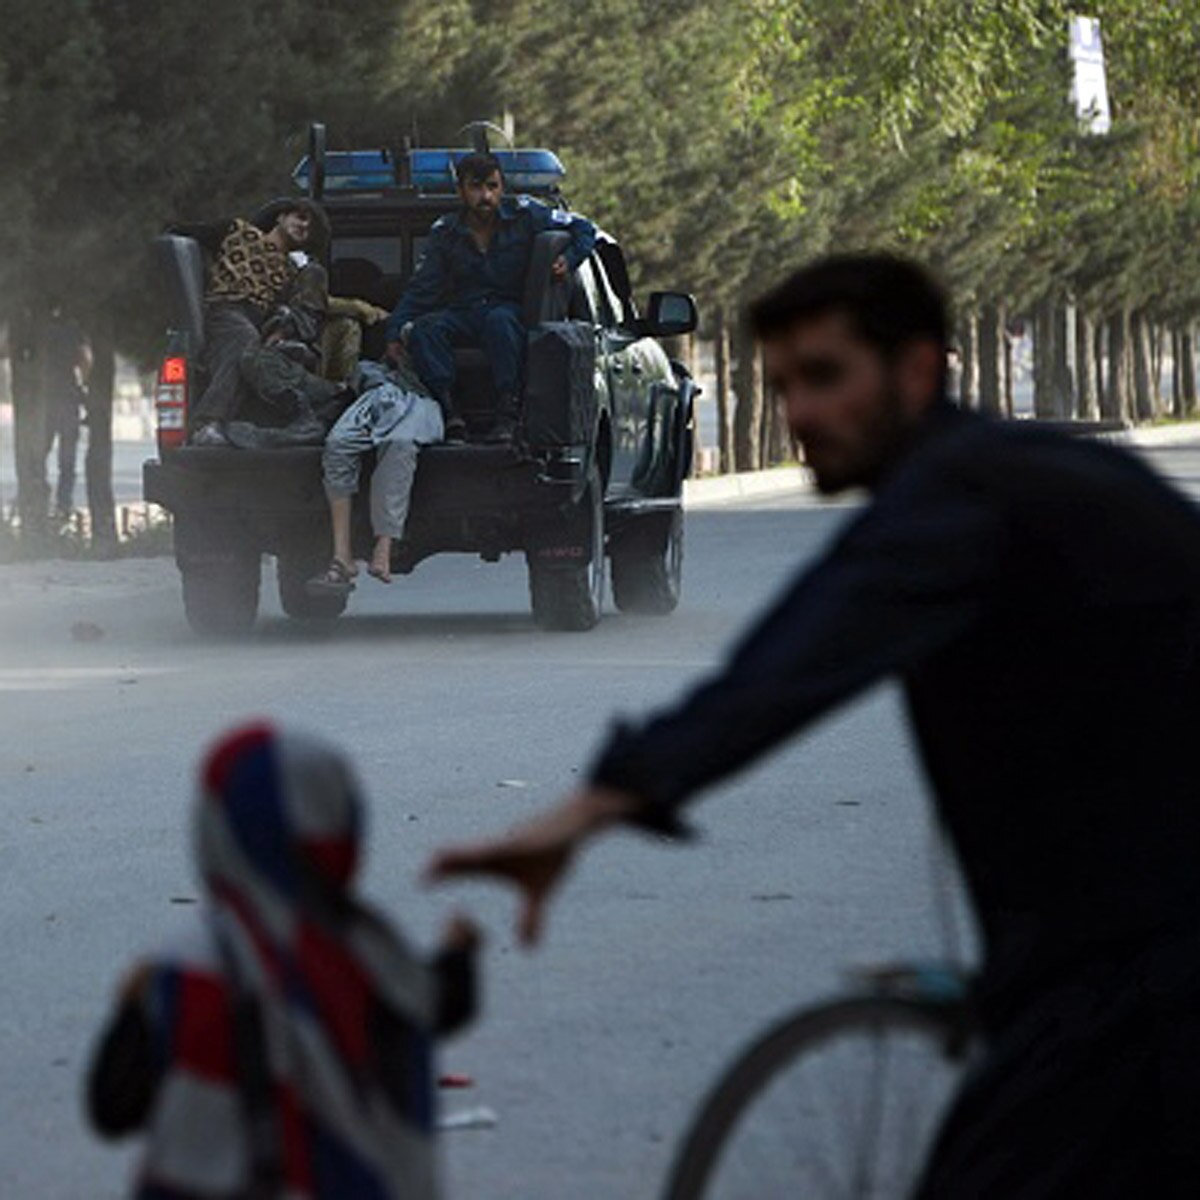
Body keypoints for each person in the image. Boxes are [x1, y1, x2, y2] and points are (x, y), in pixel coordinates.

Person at [428, 253, 1200, 1195]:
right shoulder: (1004, 476)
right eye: (784, 384)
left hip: (1141, 951)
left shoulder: (965, 503)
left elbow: (785, 671)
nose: (799, 413)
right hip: (1104, 934)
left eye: (827, 378)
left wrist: (593, 807)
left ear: (918, 371)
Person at [88, 721, 480, 1200]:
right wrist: (460, 952)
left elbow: (113, 1106)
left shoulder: (195, 967)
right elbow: (441, 1004)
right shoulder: (369, 950)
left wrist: (131, 1010)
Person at [386, 151, 596, 444]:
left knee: (501, 323)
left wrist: (569, 258)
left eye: (492, 186)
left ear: (502, 188)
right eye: (476, 187)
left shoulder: (526, 215)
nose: (485, 195)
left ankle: (508, 413)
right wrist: (395, 332)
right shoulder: (446, 232)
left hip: (506, 310)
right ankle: (449, 412)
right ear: (460, 191)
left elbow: (584, 229)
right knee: (426, 329)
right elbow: (422, 289)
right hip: (463, 311)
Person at [174, 199, 332, 446]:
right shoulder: (236, 230)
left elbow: (307, 307)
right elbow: (188, 234)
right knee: (245, 342)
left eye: (311, 228)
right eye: (301, 217)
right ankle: (207, 422)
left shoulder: (292, 270)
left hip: (261, 320)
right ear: (281, 216)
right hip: (225, 309)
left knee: (267, 352)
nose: (304, 226)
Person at [306, 349, 444, 595]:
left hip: (415, 400)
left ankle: (384, 545)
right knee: (337, 445)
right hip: (375, 397)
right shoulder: (371, 367)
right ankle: (342, 555)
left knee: (400, 445)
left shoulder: (429, 346)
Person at [41, 304, 92, 519]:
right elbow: (85, 360)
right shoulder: (74, 330)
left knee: (39, 452)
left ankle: (38, 496)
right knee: (67, 458)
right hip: (68, 397)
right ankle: (64, 504)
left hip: (44, 397)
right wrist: (84, 387)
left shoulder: (39, 329)